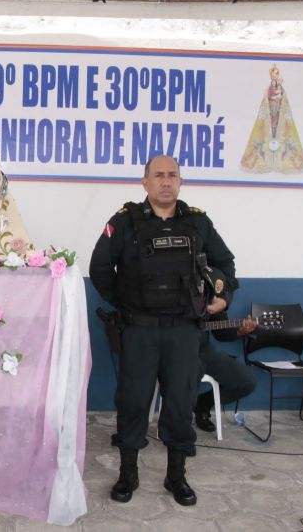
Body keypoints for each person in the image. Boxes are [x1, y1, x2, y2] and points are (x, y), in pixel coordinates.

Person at [89, 155, 238, 507]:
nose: (166, 181)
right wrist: (126, 304)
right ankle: (128, 473)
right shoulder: (124, 222)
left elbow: (225, 263)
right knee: (133, 402)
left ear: (180, 181)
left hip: (184, 332)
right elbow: (99, 268)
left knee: (180, 402)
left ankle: (176, 476)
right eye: (159, 176)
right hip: (139, 331)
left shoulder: (198, 223)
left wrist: (223, 295)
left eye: (172, 175)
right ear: (145, 183)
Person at [194, 311, 257, 432]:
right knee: (185, 375)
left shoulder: (211, 295)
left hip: (203, 349)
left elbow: (221, 333)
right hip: (172, 348)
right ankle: (177, 418)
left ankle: (201, 404)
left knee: (247, 382)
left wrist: (240, 331)